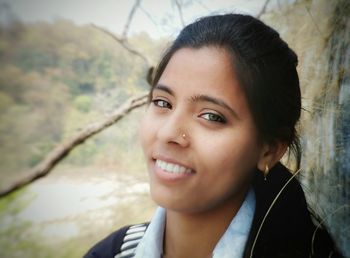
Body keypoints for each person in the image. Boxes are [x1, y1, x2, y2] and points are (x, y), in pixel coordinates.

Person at [84, 13, 343, 258]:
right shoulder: (112, 252)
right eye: (163, 103)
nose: (168, 133)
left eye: (211, 116)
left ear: (270, 149)